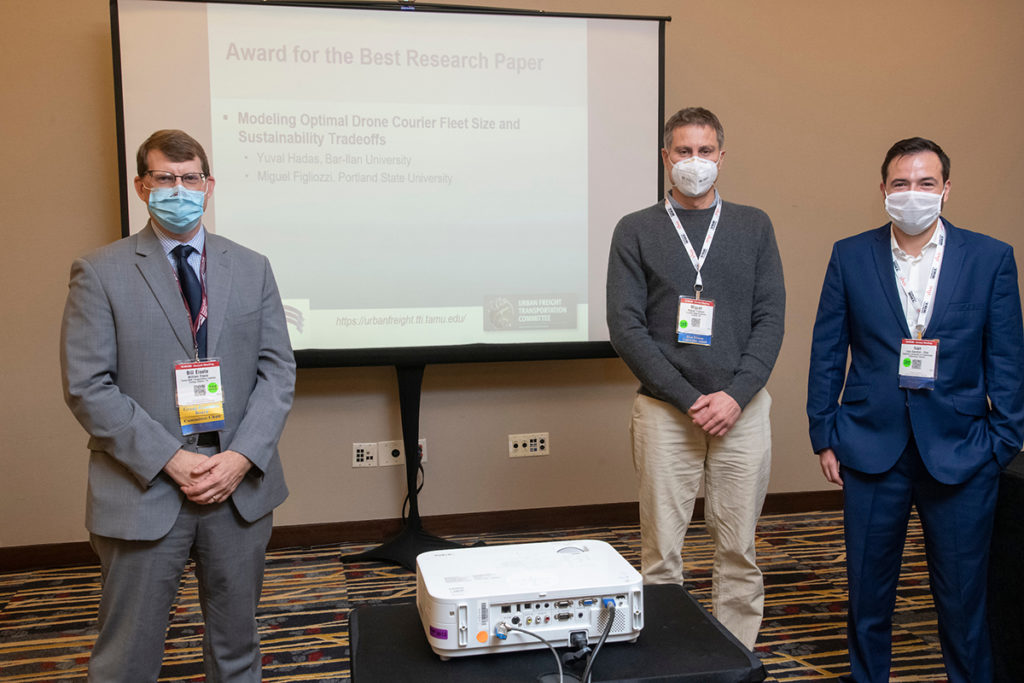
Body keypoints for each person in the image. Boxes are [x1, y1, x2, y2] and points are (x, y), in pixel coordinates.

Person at [60, 129, 296, 682]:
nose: (178, 188)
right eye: (165, 178)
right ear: (142, 186)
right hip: (144, 489)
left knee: (237, 650)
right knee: (127, 659)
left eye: (190, 178)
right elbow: (87, 385)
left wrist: (240, 457)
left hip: (238, 489)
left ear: (208, 186)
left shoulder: (252, 266)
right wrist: (171, 458)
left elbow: (277, 370)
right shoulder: (100, 271)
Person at [807, 137, 1024, 682]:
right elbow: (828, 349)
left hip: (962, 453)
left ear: (946, 190)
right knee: (867, 599)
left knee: (962, 601)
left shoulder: (990, 257)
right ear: (883, 190)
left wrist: (1003, 441)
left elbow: (1007, 355)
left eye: (926, 183)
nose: (913, 194)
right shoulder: (850, 254)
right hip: (869, 446)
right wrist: (824, 431)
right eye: (901, 183)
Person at [606, 107, 785, 649]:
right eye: (683, 152)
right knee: (661, 554)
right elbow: (626, 328)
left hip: (743, 410)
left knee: (738, 549)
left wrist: (734, 395)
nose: (694, 162)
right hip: (665, 412)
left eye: (705, 151)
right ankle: (666, 655)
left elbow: (770, 318)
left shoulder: (754, 225)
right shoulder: (635, 229)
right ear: (666, 159)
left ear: (722, 159)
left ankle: (735, 654)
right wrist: (689, 399)